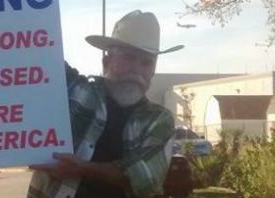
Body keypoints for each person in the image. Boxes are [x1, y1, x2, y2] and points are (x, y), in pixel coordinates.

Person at [28, 10, 183, 198]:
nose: (136, 69)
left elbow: (146, 178)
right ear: (106, 61)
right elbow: (31, 52)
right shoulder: (76, 91)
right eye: (129, 58)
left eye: (146, 63)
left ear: (153, 71)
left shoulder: (159, 119)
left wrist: (80, 169)